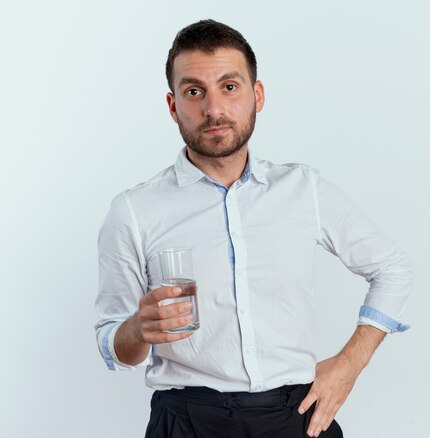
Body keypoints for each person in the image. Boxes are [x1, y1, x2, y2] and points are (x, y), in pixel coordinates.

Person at [95, 19, 413, 438]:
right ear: (173, 106)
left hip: (295, 414)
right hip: (186, 420)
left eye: (230, 87)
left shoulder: (304, 190)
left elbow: (392, 269)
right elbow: (112, 342)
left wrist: (348, 364)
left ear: (256, 95)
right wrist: (137, 330)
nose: (213, 109)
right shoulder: (134, 210)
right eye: (194, 92)